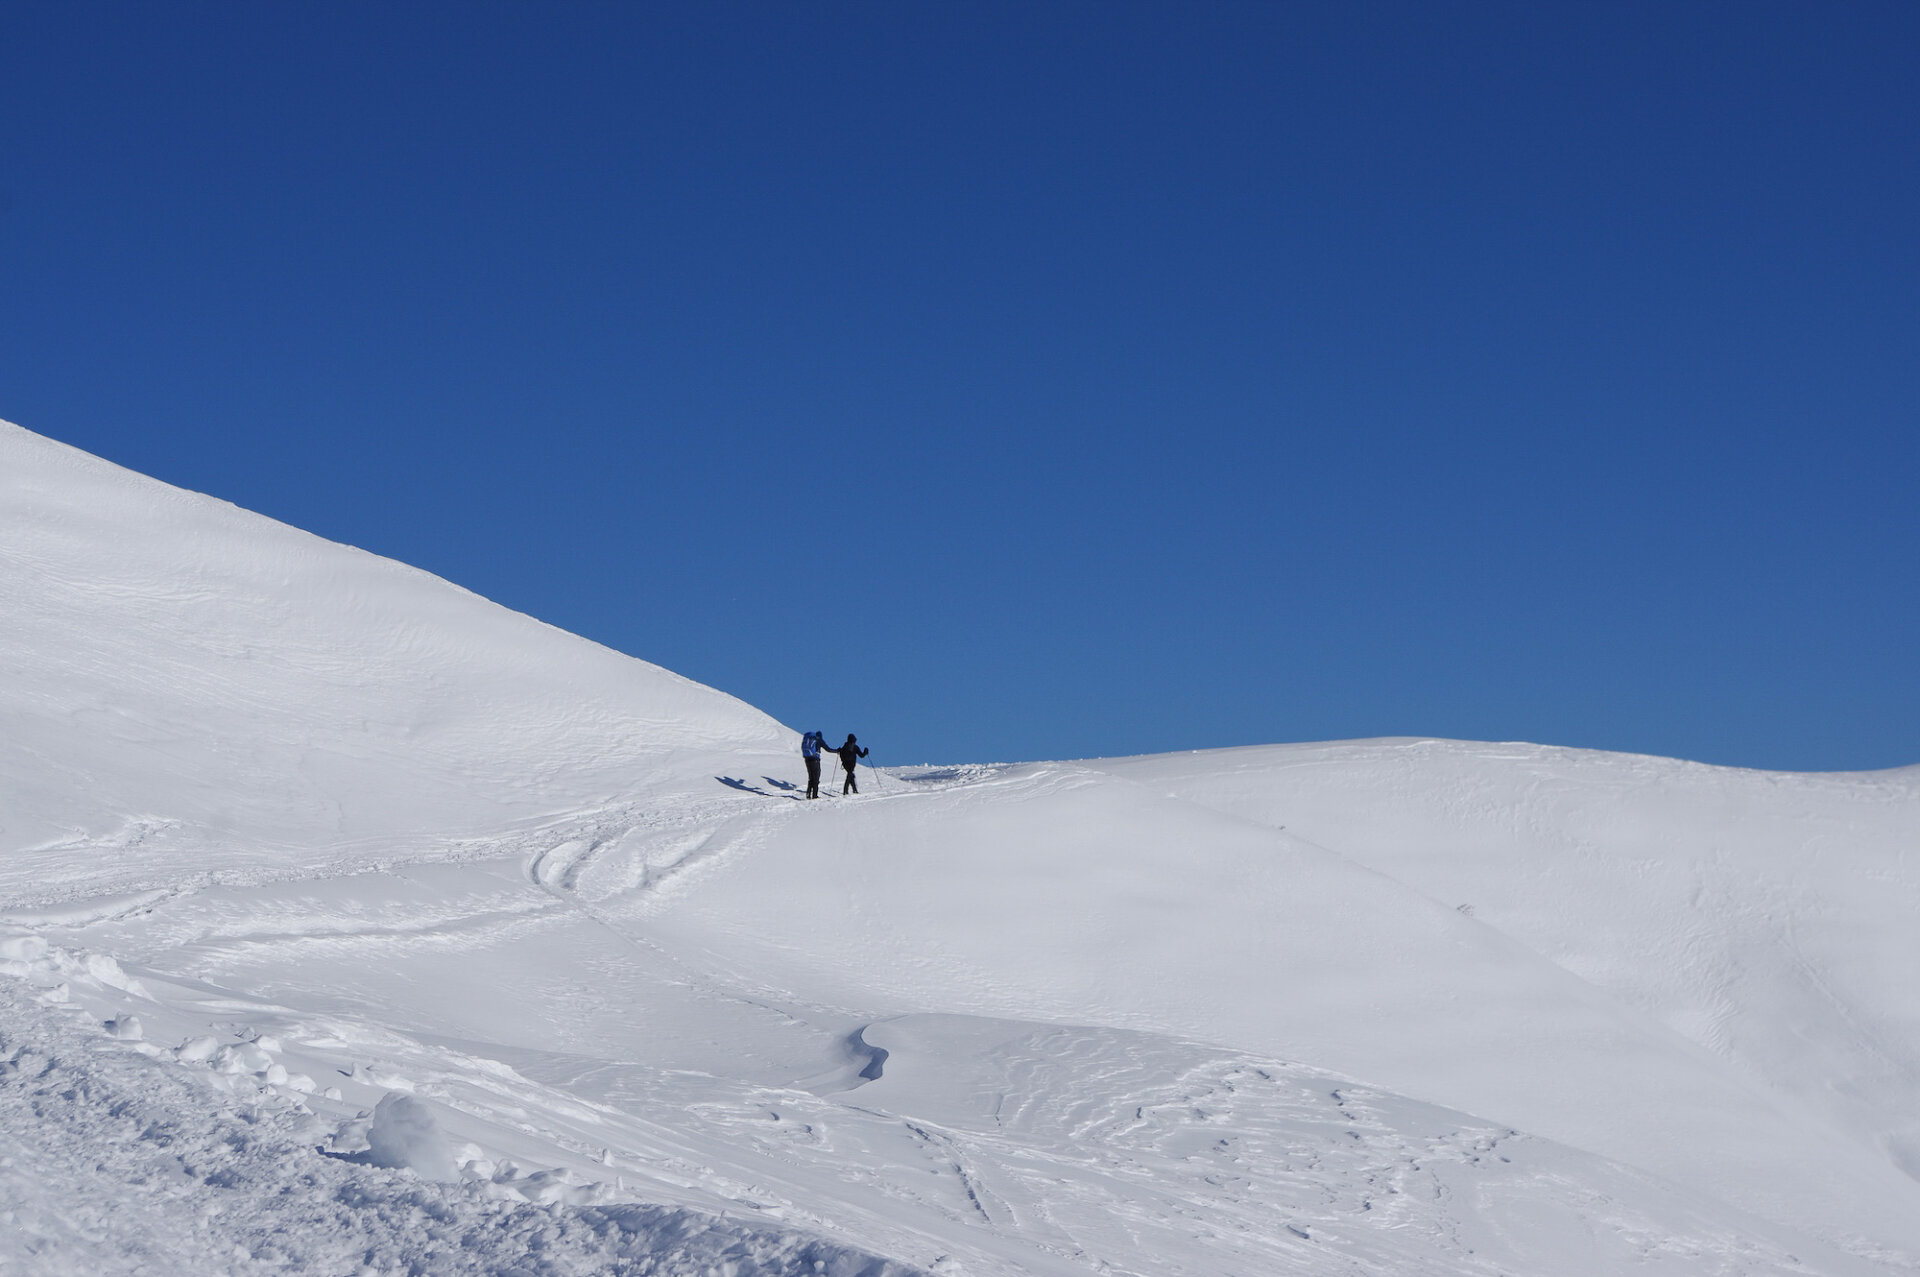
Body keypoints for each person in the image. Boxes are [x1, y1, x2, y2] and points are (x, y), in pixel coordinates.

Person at [800, 730, 829, 799]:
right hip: (815, 760)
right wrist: (837, 750)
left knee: (811, 777)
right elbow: (828, 749)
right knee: (816, 777)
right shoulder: (819, 740)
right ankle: (814, 795)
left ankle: (808, 794)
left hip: (807, 759)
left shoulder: (808, 739)